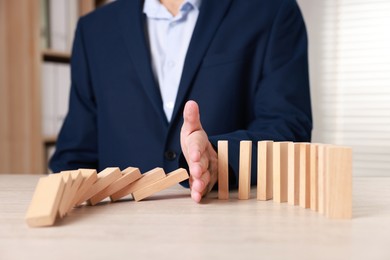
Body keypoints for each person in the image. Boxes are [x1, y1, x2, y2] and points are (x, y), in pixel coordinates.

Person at [49, 0, 312, 203]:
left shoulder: (272, 11)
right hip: (118, 237)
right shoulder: (94, 29)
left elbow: (289, 128)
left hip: (229, 231)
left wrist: (218, 160)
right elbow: (75, 154)